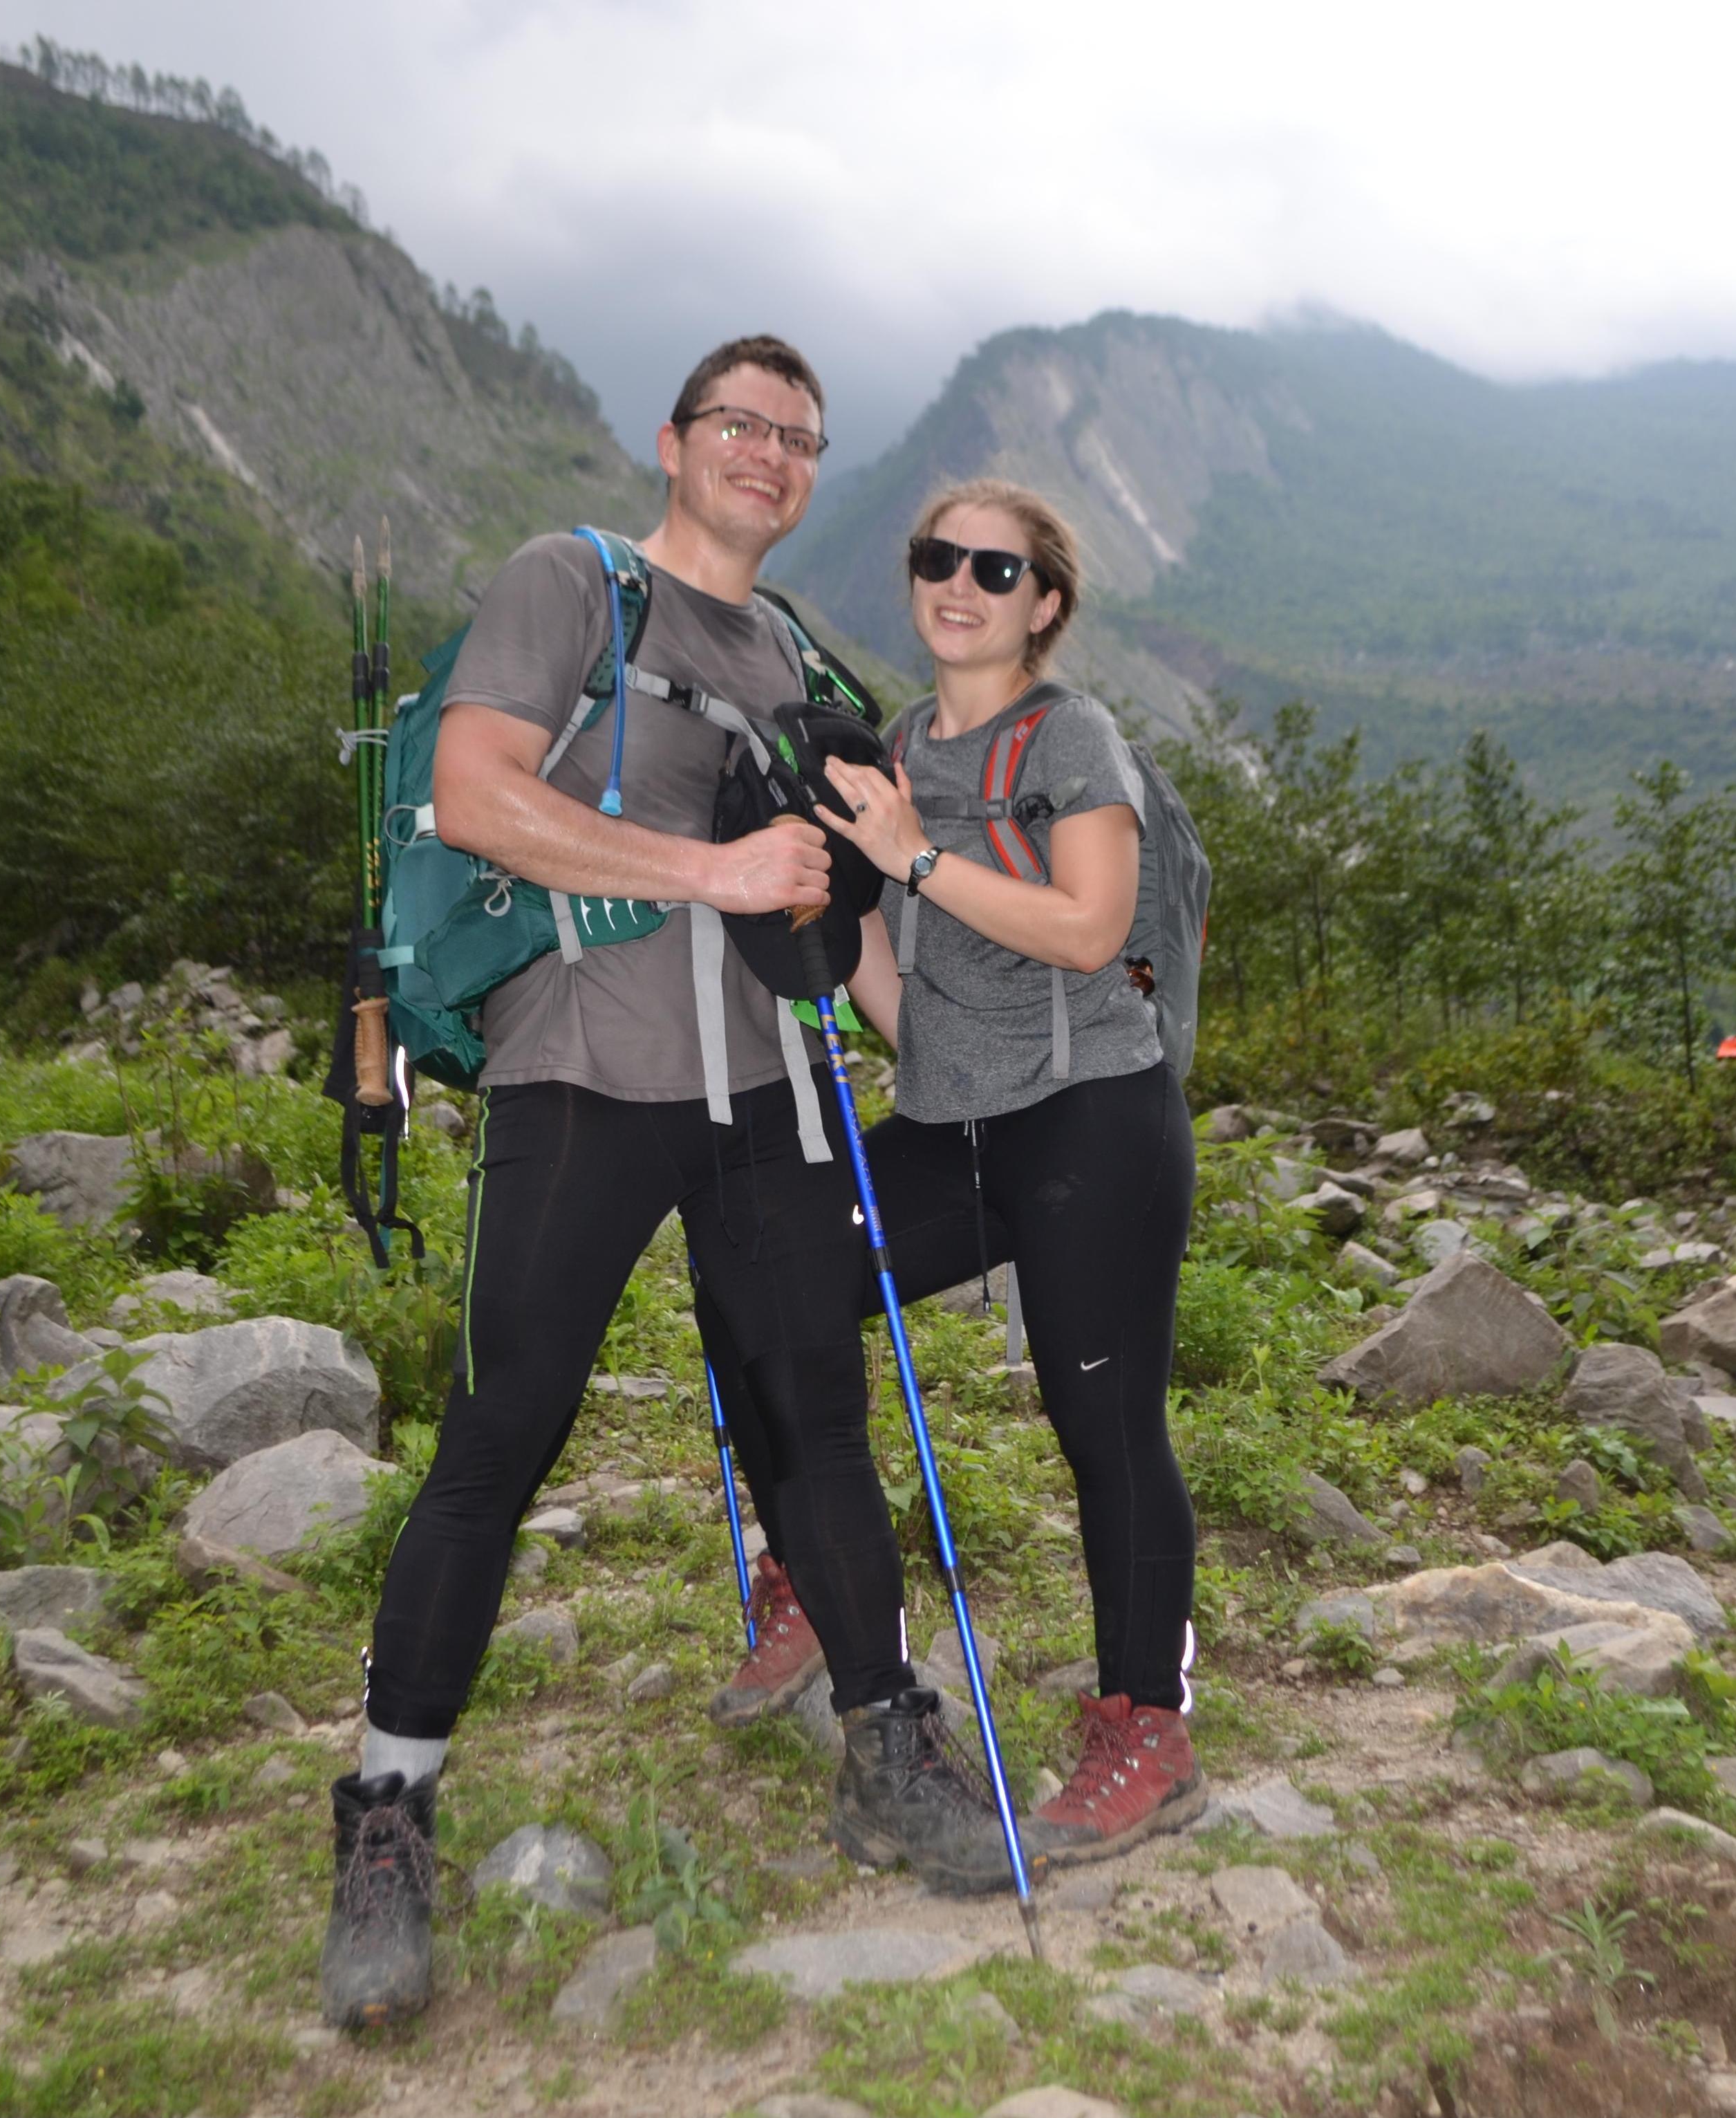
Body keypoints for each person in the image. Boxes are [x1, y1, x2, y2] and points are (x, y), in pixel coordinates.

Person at [321, 342, 1018, 2032]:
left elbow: (833, 921)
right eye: (739, 426)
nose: (768, 455)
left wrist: (986, 1064)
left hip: (768, 1092)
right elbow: (474, 794)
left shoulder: (790, 652)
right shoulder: (575, 585)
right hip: (578, 1076)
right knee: (503, 1430)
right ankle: (386, 1818)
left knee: (815, 1418)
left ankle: (883, 1743)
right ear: (675, 442)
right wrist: (705, 865)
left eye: (798, 437)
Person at [707, 477, 1204, 1865]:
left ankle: (1145, 1730)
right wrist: (827, 902)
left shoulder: (1069, 734)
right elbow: (892, 996)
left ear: (1042, 605)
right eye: (938, 559)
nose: (959, 585)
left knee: (1101, 1420)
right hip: (952, 1121)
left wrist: (909, 851)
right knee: (757, 1265)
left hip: (1092, 1119)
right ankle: (813, 1574)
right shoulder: (892, 747)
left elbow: (1091, 926)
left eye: (995, 569)